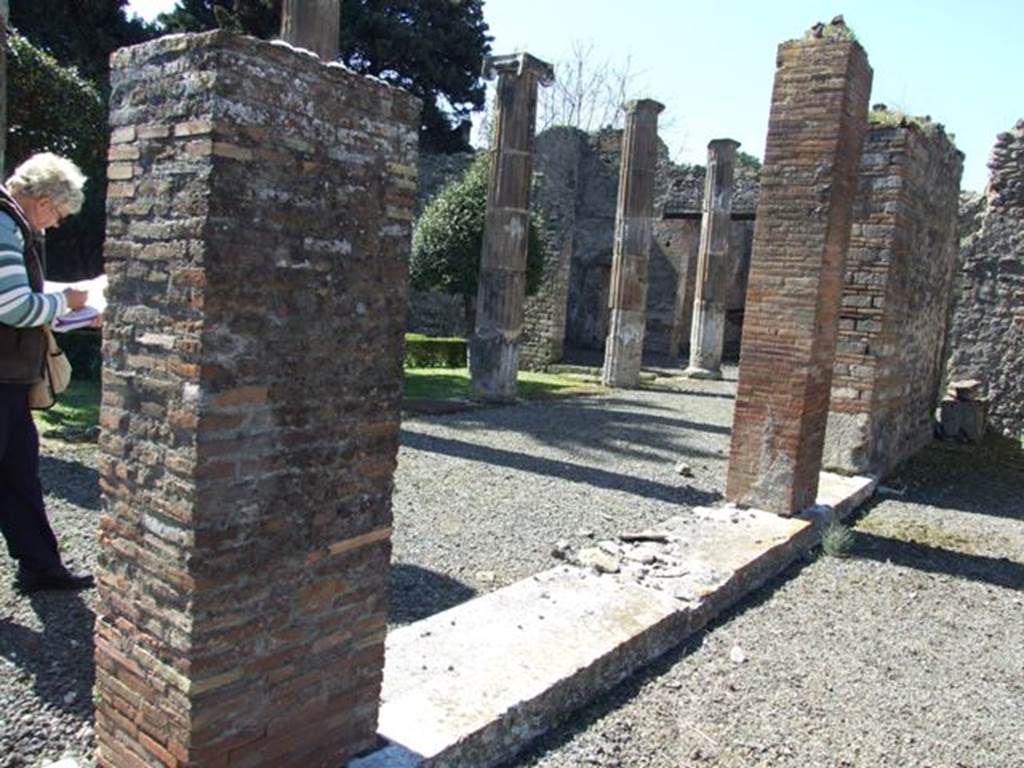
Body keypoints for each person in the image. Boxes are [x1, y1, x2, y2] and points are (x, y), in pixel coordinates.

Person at [0, 152, 93, 593]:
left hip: (9, 379)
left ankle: (40, 566)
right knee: (15, 472)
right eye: (58, 212)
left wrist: (73, 311)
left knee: (19, 473)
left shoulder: (13, 225)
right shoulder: (3, 225)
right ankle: (40, 565)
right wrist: (69, 304)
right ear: (41, 198)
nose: (56, 223)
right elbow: (15, 307)